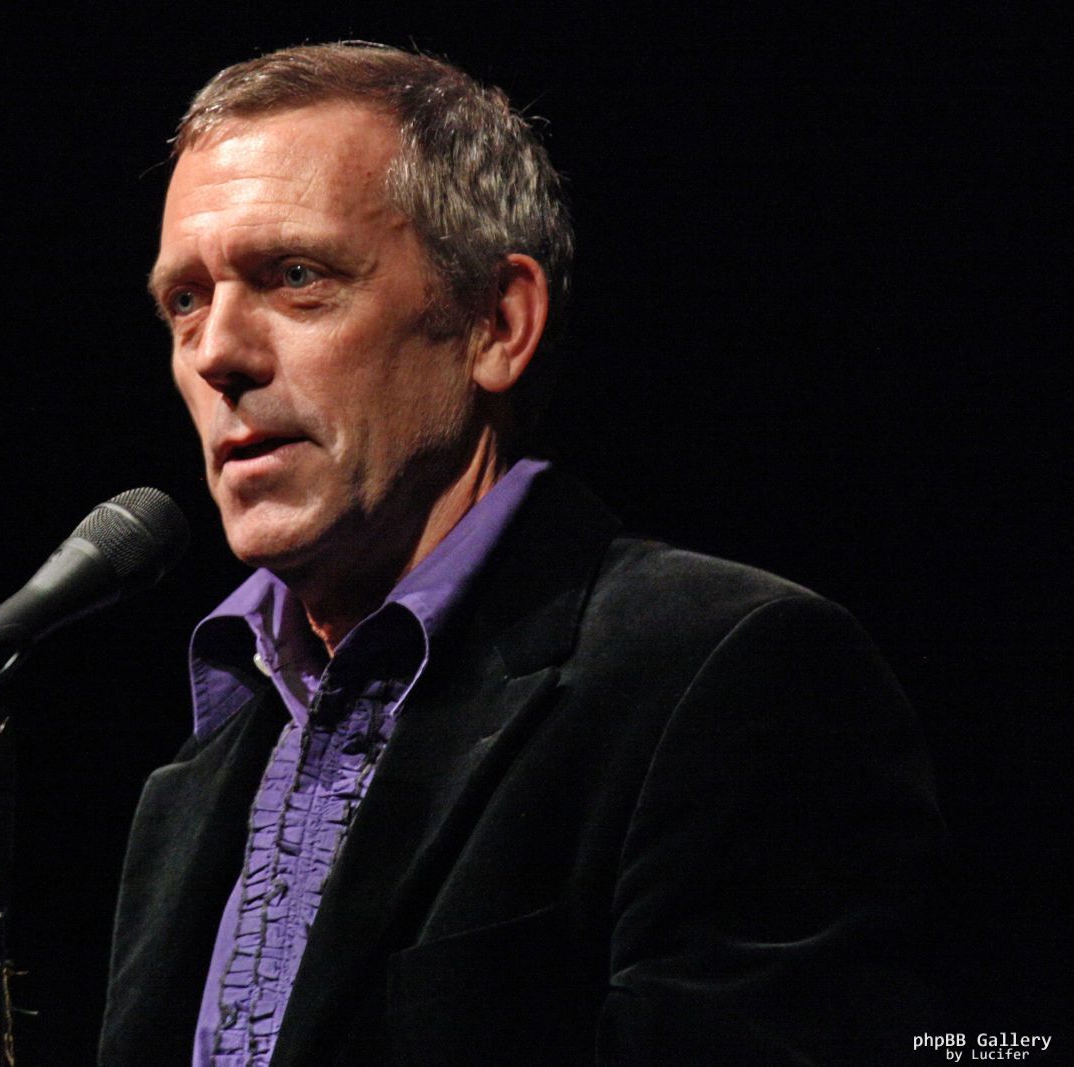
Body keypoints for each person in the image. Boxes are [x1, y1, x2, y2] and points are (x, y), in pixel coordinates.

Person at [102, 42, 945, 1066]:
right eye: (185, 300)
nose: (217, 354)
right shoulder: (192, 778)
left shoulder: (726, 674)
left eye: (296, 276)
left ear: (497, 324)